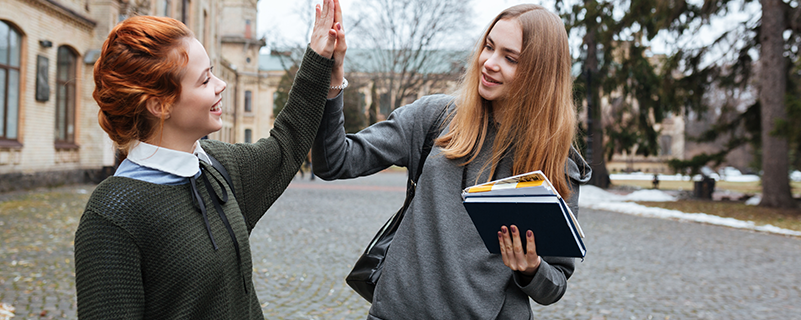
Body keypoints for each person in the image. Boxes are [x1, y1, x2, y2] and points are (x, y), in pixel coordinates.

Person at [312, 4, 591, 319]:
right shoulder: (435, 117)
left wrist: (532, 269)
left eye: (510, 58)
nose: (489, 62)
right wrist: (332, 78)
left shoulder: (557, 161)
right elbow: (334, 161)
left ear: (540, 75)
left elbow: (554, 285)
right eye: (489, 46)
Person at [73, 0, 346, 318]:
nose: (222, 85)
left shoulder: (217, 167)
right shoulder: (112, 217)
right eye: (204, 80)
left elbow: (287, 144)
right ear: (159, 105)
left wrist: (318, 57)